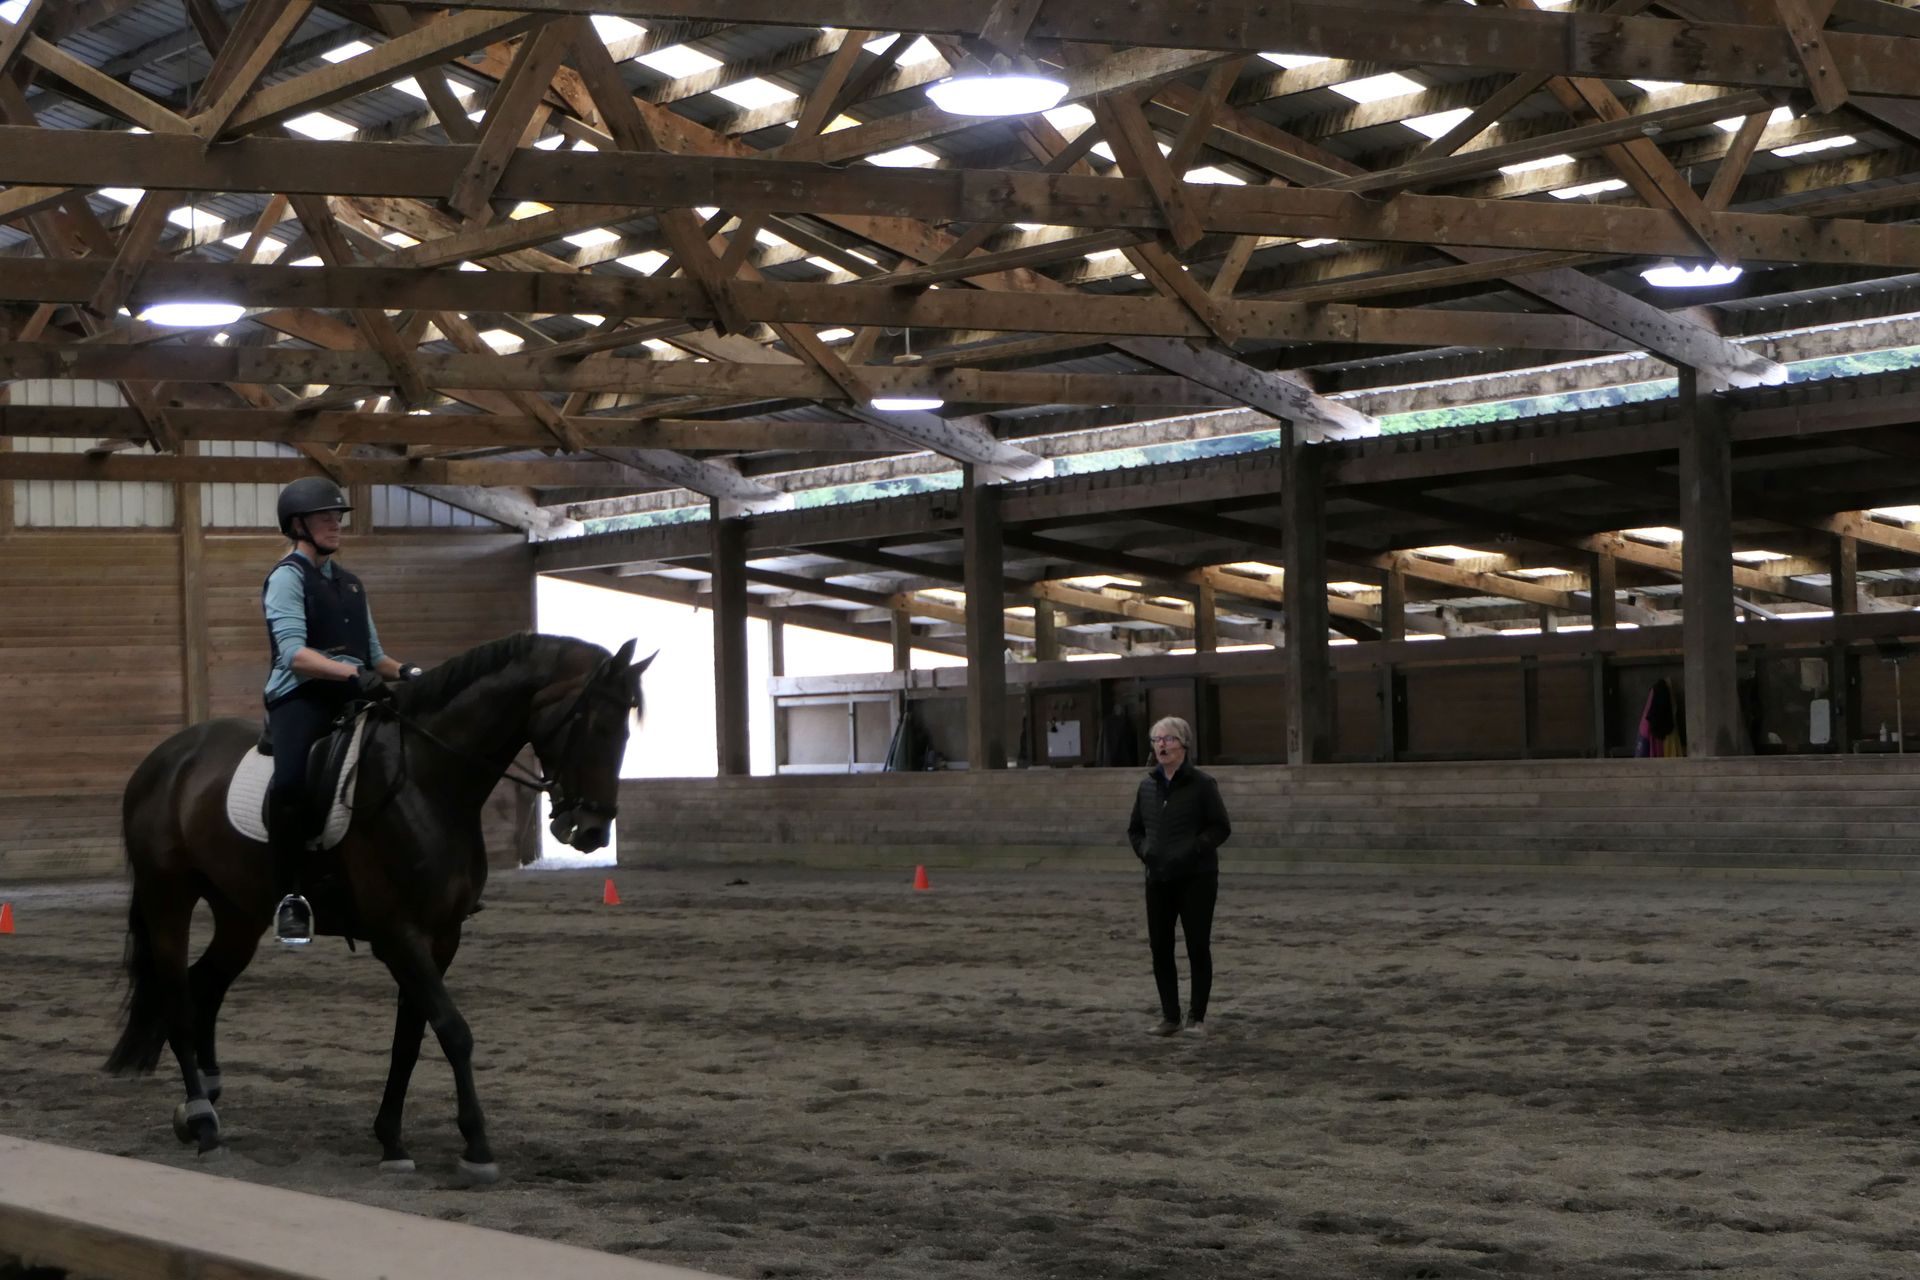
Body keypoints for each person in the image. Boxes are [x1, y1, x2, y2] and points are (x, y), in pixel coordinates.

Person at [262, 478, 422, 944]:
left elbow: (375, 656)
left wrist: (409, 672)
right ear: (298, 525)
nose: (336, 523)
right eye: (325, 517)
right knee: (289, 785)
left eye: (337, 516)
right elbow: (295, 655)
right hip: (302, 697)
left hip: (354, 692)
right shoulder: (286, 578)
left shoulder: (350, 583)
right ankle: (289, 896)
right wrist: (353, 674)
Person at [1126, 716, 1230, 1038]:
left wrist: (1193, 849)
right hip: (1157, 878)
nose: (1162, 745)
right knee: (1160, 947)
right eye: (1157, 739)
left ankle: (1196, 1017)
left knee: (1197, 946)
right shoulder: (1146, 786)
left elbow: (1220, 827)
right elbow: (1135, 829)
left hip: (1197, 878)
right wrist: (1146, 851)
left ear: (1184, 744)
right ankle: (1170, 1016)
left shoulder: (1203, 784)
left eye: (1168, 739)